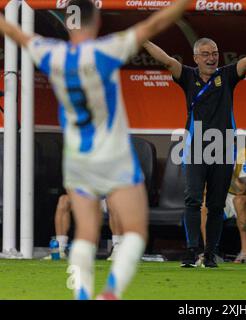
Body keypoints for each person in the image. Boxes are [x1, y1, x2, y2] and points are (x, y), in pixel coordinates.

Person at [0, 0, 191, 299]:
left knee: (86, 234)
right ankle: (111, 292)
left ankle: (82, 294)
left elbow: (13, 30)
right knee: (136, 233)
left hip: (78, 159)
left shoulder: (51, 52)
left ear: (67, 23)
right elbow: (154, 25)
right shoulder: (106, 50)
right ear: (96, 20)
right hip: (114, 157)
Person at [143, 33, 246, 268]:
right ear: (196, 57)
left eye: (215, 53)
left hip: (224, 148)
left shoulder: (227, 76)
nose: (211, 58)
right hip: (196, 149)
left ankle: (210, 254)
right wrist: (143, 41)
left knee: (217, 204)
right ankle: (191, 252)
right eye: (206, 54)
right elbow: (166, 60)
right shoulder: (187, 75)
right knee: (193, 200)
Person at [199, 148, 246, 263]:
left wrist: (225, 168)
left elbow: (242, 189)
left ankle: (245, 252)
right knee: (205, 205)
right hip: (230, 195)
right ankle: (210, 252)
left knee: (239, 201)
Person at [43, 194, 122, 261]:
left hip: (105, 200)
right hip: (86, 200)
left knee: (113, 199)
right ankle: (60, 249)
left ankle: (118, 249)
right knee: (63, 200)